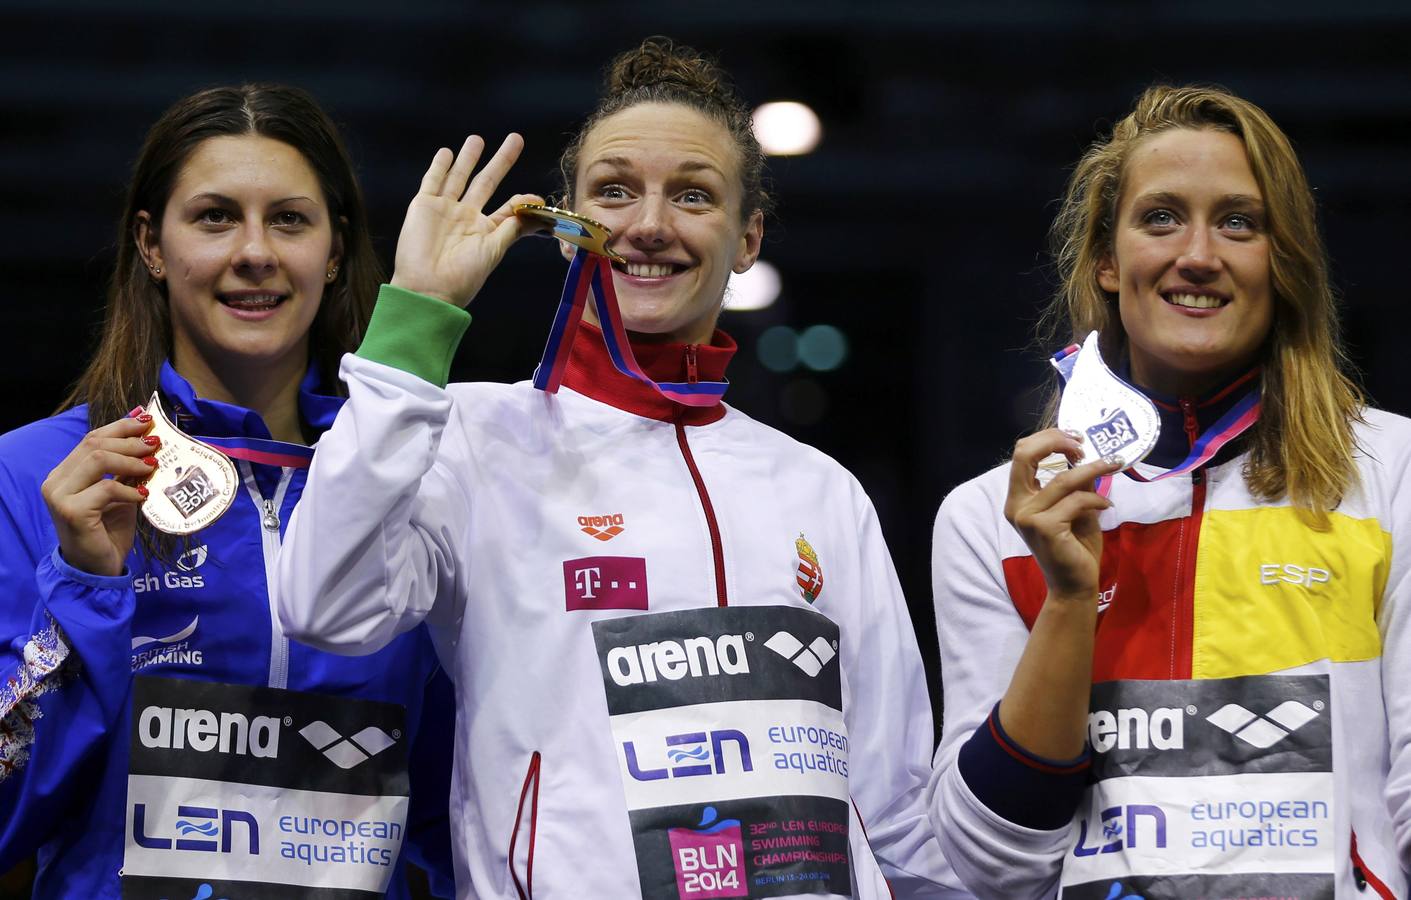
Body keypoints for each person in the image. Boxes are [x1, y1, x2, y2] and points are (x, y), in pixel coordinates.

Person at [276, 37, 968, 899]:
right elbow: (322, 604)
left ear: (747, 236)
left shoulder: (818, 488)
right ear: (566, 231)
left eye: (691, 195)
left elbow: (894, 806)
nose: (647, 225)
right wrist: (416, 319)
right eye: (613, 192)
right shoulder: (473, 438)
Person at [927, 84, 1410, 899]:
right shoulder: (994, 519)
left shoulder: (1389, 469)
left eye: (1238, 222)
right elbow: (994, 860)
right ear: (1105, 262)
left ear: (1280, 259)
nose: (1197, 254)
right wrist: (1068, 603)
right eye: (1159, 218)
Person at [0, 84, 455, 898]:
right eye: (214, 217)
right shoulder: (35, 476)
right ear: (151, 244)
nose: (255, 252)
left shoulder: (418, 481)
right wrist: (85, 590)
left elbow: (468, 811)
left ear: (337, 250)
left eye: (289, 219)